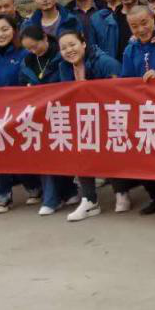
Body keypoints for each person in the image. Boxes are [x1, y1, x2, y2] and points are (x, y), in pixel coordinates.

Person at [46, 28, 121, 222]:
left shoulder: (104, 62)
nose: (69, 50)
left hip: (111, 117)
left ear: (84, 43)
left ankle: (121, 191)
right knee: (80, 150)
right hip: (83, 119)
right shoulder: (63, 67)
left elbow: (121, 91)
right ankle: (89, 200)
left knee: (113, 152)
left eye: (72, 44)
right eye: (64, 48)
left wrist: (91, 90)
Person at [113, 4, 155, 215]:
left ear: (153, 20)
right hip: (144, 110)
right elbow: (126, 80)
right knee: (140, 153)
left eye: (144, 23)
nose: (141, 29)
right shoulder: (130, 49)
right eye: (134, 26)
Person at [0, 14, 42, 213]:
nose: (0, 34)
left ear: (14, 30)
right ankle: (3, 195)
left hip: (21, 112)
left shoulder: (24, 53)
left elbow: (32, 77)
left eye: (5, 29)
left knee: (21, 152)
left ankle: (33, 187)